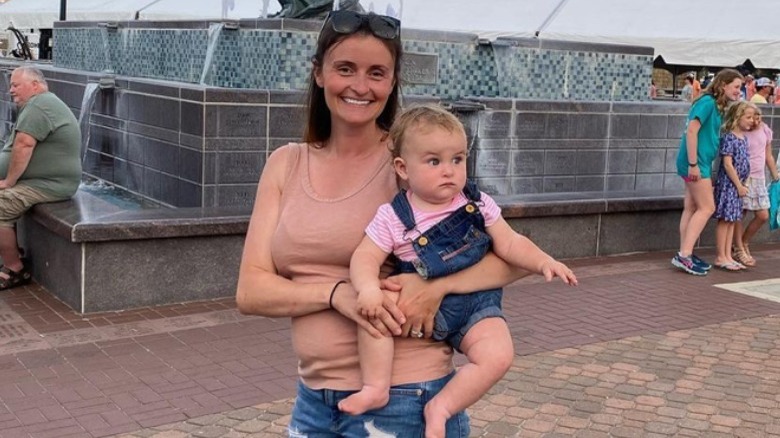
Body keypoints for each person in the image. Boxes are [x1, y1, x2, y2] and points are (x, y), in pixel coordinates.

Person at [235, 10, 527, 437]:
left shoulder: (412, 163)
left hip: (406, 397)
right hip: (314, 401)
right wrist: (338, 295)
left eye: (377, 73)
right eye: (345, 68)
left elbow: (514, 258)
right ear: (318, 74)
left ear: (392, 83)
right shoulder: (285, 164)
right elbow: (251, 291)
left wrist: (437, 286)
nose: (360, 86)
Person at [339, 104, 577, 437]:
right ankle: (376, 386)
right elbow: (365, 257)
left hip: (476, 307)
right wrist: (366, 288)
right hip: (415, 306)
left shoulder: (477, 203)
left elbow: (510, 242)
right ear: (403, 168)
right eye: (434, 161)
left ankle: (442, 407)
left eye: (458, 159)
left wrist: (543, 261)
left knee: (498, 356)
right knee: (376, 317)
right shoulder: (394, 216)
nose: (449, 171)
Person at [0, 66, 82, 290]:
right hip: (40, 181)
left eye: (16, 85)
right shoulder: (40, 104)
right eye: (11, 85)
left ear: (35, 85)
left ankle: (15, 268)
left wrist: (8, 182)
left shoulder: (39, 105)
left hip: (48, 185)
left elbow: (24, 145)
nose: (11, 90)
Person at [672, 68, 743, 276]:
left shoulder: (713, 104)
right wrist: (694, 164)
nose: (739, 91)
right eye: (736, 87)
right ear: (723, 85)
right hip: (696, 163)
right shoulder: (708, 103)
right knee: (707, 207)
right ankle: (684, 255)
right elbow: (692, 130)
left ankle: (685, 252)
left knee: (691, 207)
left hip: (696, 161)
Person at [733, 106, 780, 267]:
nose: (755, 120)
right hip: (744, 177)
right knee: (740, 214)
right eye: (751, 117)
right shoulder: (741, 131)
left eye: (757, 117)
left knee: (763, 215)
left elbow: (768, 155)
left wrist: (775, 175)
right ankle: (739, 248)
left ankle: (744, 242)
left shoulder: (765, 130)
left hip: (759, 178)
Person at [711, 101, 754, 271]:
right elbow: (728, 164)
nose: (751, 121)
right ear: (737, 117)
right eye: (748, 117)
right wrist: (738, 185)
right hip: (730, 185)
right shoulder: (729, 136)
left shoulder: (743, 138)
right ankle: (721, 256)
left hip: (738, 186)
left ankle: (728, 255)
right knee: (725, 220)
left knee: (732, 220)